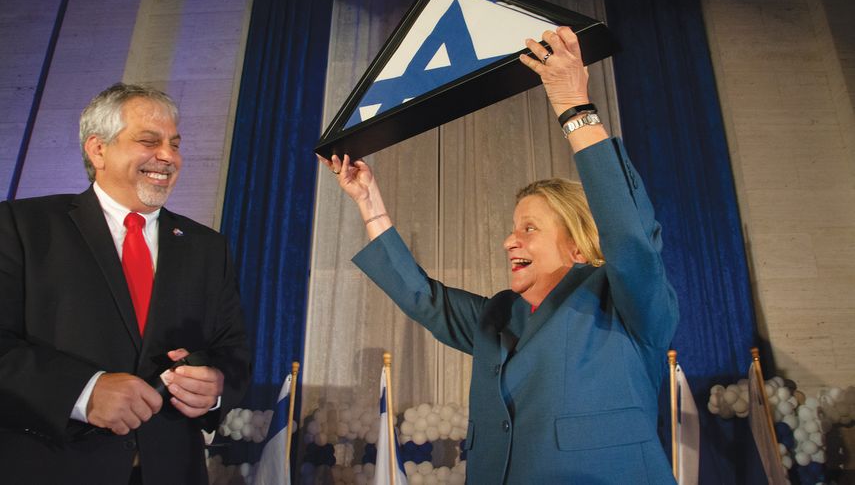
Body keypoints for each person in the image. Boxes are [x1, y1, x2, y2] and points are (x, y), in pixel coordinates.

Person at [320, 27, 679, 483]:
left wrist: (574, 107)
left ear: (578, 242)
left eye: (529, 229)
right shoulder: (497, 316)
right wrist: (367, 201)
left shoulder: (626, 302)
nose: (510, 241)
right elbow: (423, 298)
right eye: (512, 230)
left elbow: (630, 237)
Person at [0, 83, 251, 485]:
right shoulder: (20, 226)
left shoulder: (208, 247)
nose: (168, 156)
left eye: (174, 143)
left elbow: (233, 351)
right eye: (149, 141)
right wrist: (83, 393)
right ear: (98, 149)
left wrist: (216, 386)